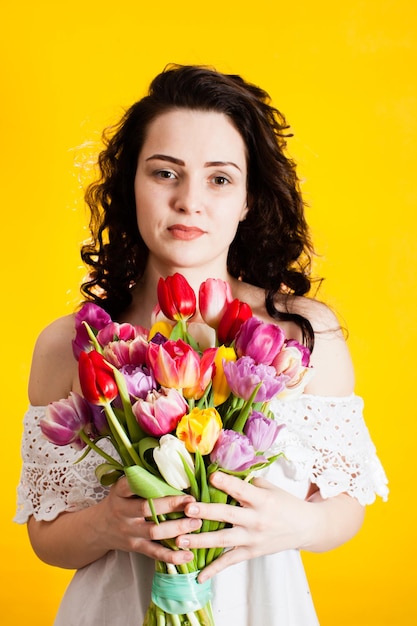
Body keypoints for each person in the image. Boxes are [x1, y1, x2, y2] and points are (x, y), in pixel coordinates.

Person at [15, 64, 388, 625]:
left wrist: (297, 525)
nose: (190, 200)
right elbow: (45, 535)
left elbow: (347, 503)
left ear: (246, 200)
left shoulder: (301, 337)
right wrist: (105, 525)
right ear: (129, 186)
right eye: (165, 173)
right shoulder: (68, 344)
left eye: (219, 178)